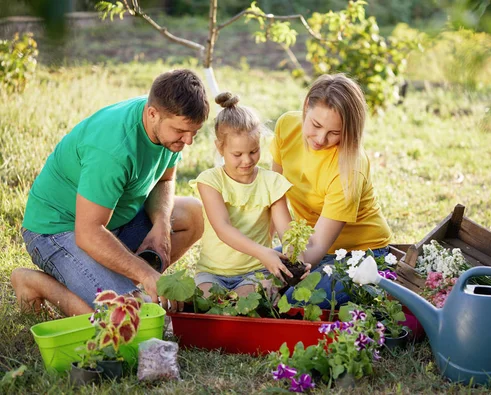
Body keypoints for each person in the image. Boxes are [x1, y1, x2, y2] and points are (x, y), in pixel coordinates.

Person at [11, 69, 210, 316]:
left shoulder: (167, 124)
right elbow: (88, 233)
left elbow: (164, 181)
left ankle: (107, 283)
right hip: (59, 232)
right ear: (152, 114)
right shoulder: (113, 149)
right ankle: (35, 282)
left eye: (194, 132)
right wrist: (147, 273)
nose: (188, 141)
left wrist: (161, 225)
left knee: (193, 215)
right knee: (129, 318)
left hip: (113, 223)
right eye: (181, 132)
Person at [270, 73, 393, 308]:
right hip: (306, 246)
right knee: (247, 276)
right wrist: (270, 253)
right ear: (307, 106)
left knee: (293, 303)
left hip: (361, 256)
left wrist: (287, 269)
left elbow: (316, 247)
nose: (320, 138)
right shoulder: (287, 127)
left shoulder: (349, 166)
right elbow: (274, 194)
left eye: (335, 133)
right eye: (315, 125)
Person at [189, 92, 301, 298]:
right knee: (207, 303)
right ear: (220, 148)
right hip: (212, 273)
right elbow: (223, 228)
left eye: (254, 151)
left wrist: (296, 258)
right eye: (237, 154)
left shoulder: (271, 182)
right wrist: (263, 252)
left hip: (255, 272)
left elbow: (287, 231)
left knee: (246, 303)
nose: (247, 160)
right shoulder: (210, 181)